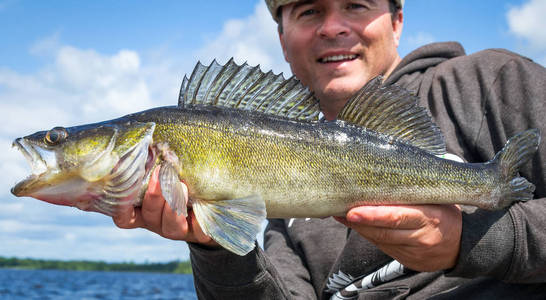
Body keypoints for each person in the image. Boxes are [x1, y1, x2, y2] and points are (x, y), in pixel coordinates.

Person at [114, 0, 546, 298]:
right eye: (309, 10)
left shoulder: (491, 81)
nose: (333, 26)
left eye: (356, 4)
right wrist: (215, 249)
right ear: (282, 39)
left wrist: (469, 241)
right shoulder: (274, 207)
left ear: (397, 20)